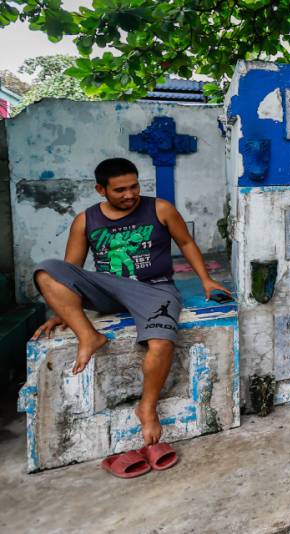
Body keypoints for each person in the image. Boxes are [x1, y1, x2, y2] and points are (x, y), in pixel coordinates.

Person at [31, 158, 230, 450]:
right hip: (108, 289)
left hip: (155, 288)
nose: (129, 194)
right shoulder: (85, 221)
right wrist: (62, 310)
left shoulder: (159, 209)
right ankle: (89, 336)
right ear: (101, 189)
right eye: (120, 190)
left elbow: (186, 243)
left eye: (134, 186)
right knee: (47, 270)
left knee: (161, 343)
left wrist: (206, 280)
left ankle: (146, 408)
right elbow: (71, 270)